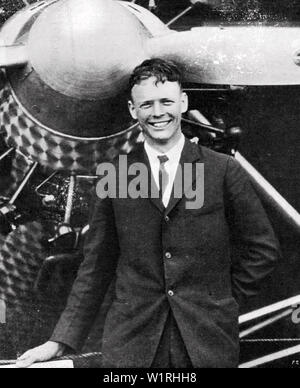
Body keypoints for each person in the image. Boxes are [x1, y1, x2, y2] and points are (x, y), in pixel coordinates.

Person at [16, 58, 280, 368]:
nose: (157, 113)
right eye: (147, 104)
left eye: (166, 101)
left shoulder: (221, 170)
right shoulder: (116, 175)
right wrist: (60, 340)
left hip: (206, 346)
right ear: (132, 110)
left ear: (183, 102)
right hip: (132, 347)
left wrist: (219, 302)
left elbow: (262, 250)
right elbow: (96, 266)